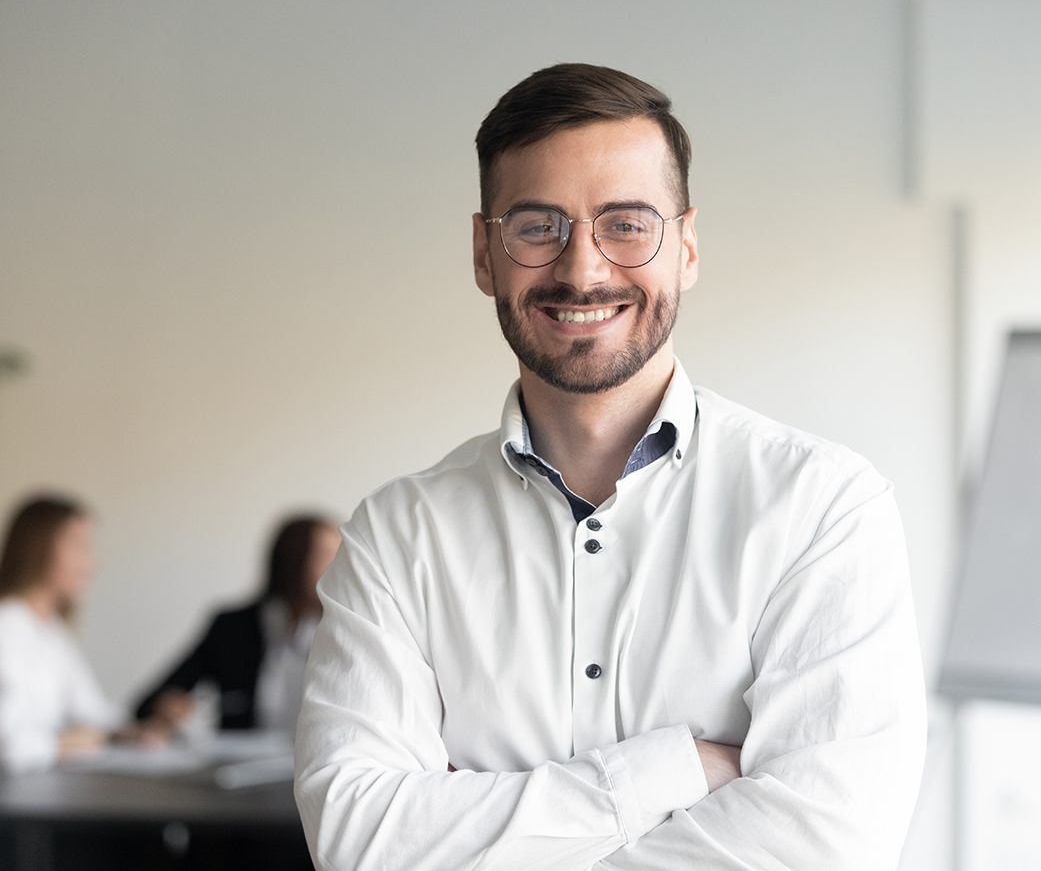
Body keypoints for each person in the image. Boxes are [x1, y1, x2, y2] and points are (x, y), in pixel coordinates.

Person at [295, 64, 927, 870]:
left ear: (687, 245)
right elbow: (358, 842)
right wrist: (675, 772)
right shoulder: (397, 538)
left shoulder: (823, 509)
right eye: (537, 226)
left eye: (626, 224)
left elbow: (827, 843)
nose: (583, 269)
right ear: (486, 253)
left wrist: (471, 830)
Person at [136, 514, 340, 736]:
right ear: (293, 560)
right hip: (240, 764)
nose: (338, 570)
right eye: (325, 557)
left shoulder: (343, 631)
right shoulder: (232, 627)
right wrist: (169, 706)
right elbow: (148, 703)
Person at [0, 496, 136, 773]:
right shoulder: (7, 628)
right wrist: (70, 742)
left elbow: (93, 710)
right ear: (38, 548)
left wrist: (133, 731)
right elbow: (10, 747)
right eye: (79, 546)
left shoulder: (52, 631)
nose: (91, 564)